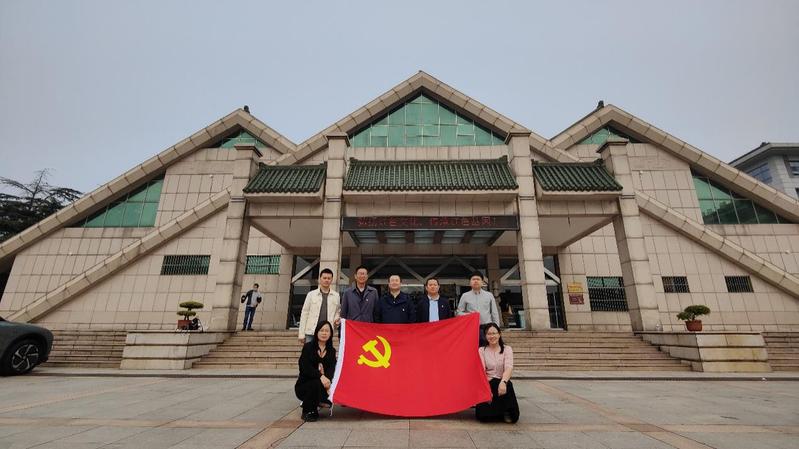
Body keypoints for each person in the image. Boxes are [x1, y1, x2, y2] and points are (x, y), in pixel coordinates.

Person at [476, 323, 519, 423]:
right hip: (487, 382)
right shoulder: (482, 350)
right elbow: (482, 370)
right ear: (485, 336)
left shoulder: (507, 349)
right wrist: (487, 387)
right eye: (489, 334)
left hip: (502, 381)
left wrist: (503, 382)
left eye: (494, 333)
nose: (492, 336)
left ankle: (505, 411)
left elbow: (508, 367)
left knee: (508, 385)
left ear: (499, 334)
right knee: (482, 417)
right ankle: (498, 412)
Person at [295, 321, 336, 422]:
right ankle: (308, 411)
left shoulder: (332, 351)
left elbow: (331, 369)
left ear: (330, 334)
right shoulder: (308, 347)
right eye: (321, 330)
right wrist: (321, 376)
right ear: (317, 332)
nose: (324, 333)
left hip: (323, 386)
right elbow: (305, 367)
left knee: (325, 386)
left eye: (327, 331)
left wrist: (328, 383)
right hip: (305, 385)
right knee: (315, 382)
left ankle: (320, 400)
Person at [298, 268, 341, 344]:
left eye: (329, 278)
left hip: (327, 333)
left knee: (325, 351)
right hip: (311, 332)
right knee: (309, 351)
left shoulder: (336, 296)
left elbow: (337, 312)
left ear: (332, 280)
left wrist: (336, 320)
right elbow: (304, 314)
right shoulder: (311, 294)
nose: (326, 280)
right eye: (324, 278)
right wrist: (301, 333)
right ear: (320, 279)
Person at [457, 272, 500, 344]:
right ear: (470, 282)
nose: (476, 281)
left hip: (487, 328)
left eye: (478, 279)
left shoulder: (489, 295)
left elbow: (494, 313)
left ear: (482, 282)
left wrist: (496, 328)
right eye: (473, 279)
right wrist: (470, 315)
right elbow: (458, 313)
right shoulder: (465, 296)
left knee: (487, 348)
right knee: (472, 347)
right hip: (471, 328)